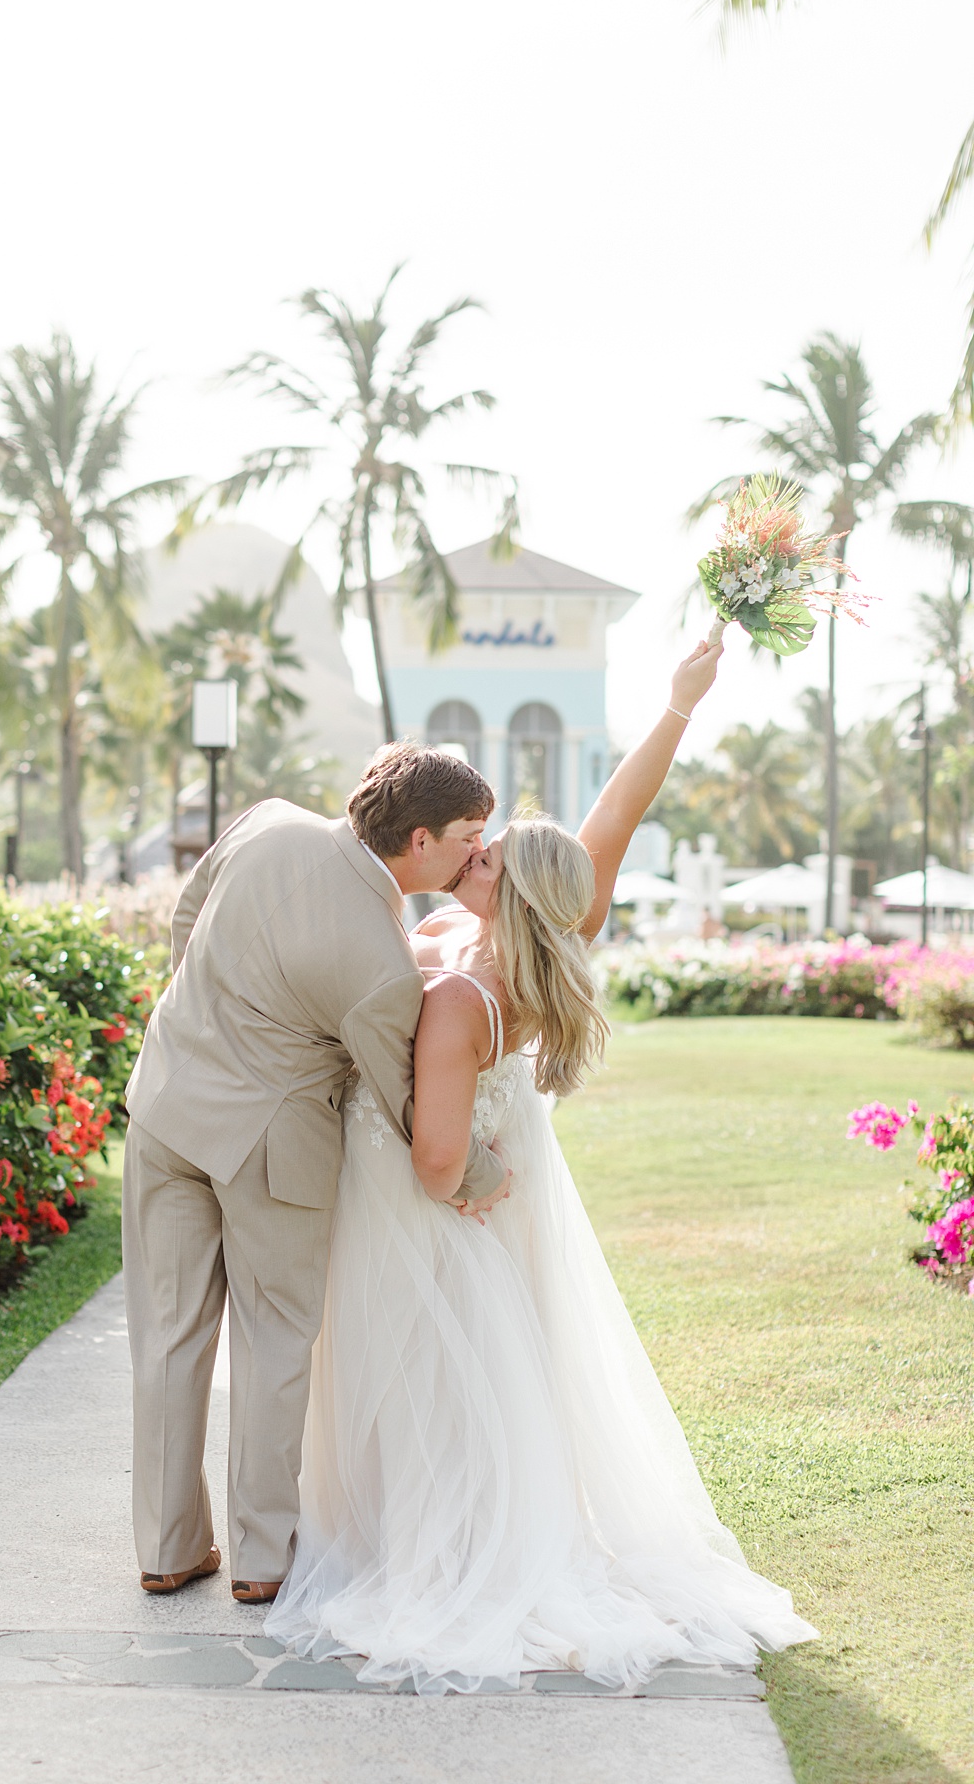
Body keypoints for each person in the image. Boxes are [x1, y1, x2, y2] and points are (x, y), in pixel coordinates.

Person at [265, 638, 818, 1691]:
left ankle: (433, 1548)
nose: (472, 851)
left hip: (438, 1197)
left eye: (487, 852)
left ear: (506, 883)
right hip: (502, 1193)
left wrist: (463, 1172)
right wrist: (675, 707)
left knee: (434, 1375)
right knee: (487, 1377)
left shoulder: (462, 993)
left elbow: (436, 1152)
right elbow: (614, 819)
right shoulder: (556, 929)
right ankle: (462, 1526)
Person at [121, 746, 510, 1603]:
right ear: (418, 840)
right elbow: (408, 1101)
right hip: (272, 1146)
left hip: (164, 1104)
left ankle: (166, 1547)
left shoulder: (265, 822)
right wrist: (483, 1172)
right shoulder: (382, 966)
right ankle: (262, 1560)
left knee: (169, 1331)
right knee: (275, 1340)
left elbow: (186, 925)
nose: (477, 854)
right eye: (468, 838)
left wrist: (209, 1022)